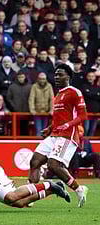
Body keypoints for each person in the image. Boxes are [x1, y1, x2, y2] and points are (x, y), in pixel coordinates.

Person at [28, 64, 88, 208]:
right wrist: (49, 129)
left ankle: (79, 189)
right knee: (34, 161)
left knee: (53, 165)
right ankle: (30, 195)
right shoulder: (58, 95)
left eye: (60, 74)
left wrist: (68, 125)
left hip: (68, 135)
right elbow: (57, 119)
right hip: (55, 134)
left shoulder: (75, 92)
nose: (56, 77)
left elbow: (83, 115)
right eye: (55, 75)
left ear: (68, 76)